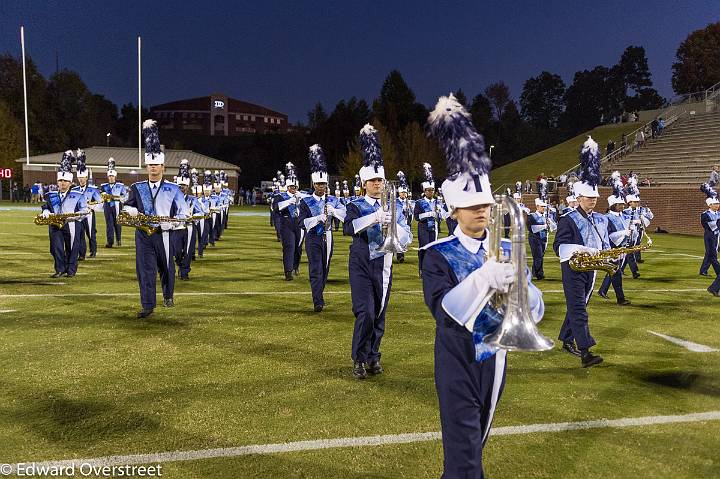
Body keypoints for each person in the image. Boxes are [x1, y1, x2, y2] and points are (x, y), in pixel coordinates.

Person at [422, 94, 545, 478]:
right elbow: (444, 312)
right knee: (466, 462)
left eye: (486, 204)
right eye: (472, 205)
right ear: (453, 209)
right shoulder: (437, 254)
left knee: (473, 449)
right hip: (457, 362)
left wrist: (524, 289)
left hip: (496, 361)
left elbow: (535, 310)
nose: (482, 211)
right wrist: (484, 278)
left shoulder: (509, 247)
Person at [344, 124, 411, 379]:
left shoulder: (395, 205)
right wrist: (374, 218)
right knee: (366, 312)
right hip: (361, 261)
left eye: (380, 180)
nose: (377, 183)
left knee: (380, 313)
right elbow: (349, 228)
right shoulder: (355, 204)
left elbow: (407, 234)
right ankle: (359, 359)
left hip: (384, 262)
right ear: (364, 183)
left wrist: (393, 224)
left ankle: (373, 356)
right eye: (372, 180)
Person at [122, 120, 188, 319]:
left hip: (165, 233)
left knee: (166, 268)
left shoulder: (174, 189)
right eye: (150, 165)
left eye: (156, 165)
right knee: (145, 270)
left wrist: (174, 222)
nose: (152, 168)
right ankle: (148, 304)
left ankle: (168, 294)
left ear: (163, 167)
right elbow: (127, 206)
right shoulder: (137, 187)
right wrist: (130, 211)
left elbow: (184, 213)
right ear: (146, 166)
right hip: (143, 233)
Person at [553, 136, 609, 367]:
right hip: (573, 268)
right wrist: (585, 250)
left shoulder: (600, 219)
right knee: (578, 308)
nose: (593, 201)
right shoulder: (568, 219)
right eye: (589, 198)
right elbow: (559, 247)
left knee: (580, 306)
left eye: (595, 197)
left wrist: (610, 253)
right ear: (578, 198)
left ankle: (566, 338)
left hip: (592, 269)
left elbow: (602, 243)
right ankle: (586, 352)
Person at [298, 145, 347, 312]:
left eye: (324, 184)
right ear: (313, 184)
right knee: (316, 269)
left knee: (325, 269)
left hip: (328, 237)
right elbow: (301, 223)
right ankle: (317, 300)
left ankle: (320, 293)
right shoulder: (305, 201)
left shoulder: (332, 200)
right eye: (318, 184)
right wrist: (317, 218)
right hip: (313, 238)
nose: (321, 187)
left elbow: (346, 216)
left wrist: (335, 211)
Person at [40, 150, 89, 278]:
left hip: (72, 224)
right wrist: (45, 211)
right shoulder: (51, 195)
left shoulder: (78, 195)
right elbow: (46, 206)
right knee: (56, 248)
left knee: (72, 248)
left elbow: (84, 210)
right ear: (57, 181)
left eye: (65, 181)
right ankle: (59, 269)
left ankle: (71, 270)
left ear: (70, 182)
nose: (62, 183)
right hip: (55, 225)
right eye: (60, 180)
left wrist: (74, 216)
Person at [597, 182, 632, 305]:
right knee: (616, 274)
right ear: (613, 205)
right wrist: (624, 232)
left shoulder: (624, 216)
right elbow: (609, 236)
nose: (622, 206)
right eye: (619, 204)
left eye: (623, 204)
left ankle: (603, 290)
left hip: (622, 248)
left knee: (614, 272)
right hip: (612, 249)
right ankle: (620, 299)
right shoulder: (606, 218)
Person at [174, 160, 205, 280]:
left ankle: (184, 272)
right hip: (176, 227)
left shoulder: (193, 200)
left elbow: (201, 212)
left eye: (184, 186)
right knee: (176, 252)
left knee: (188, 251)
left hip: (190, 227)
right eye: (180, 186)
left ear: (188, 187)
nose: (182, 188)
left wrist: (194, 217)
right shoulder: (173, 199)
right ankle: (180, 264)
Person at [273, 163, 305, 280]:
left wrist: (302, 197)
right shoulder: (281, 196)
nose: (294, 189)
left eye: (295, 187)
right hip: (287, 223)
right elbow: (275, 208)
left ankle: (295, 266)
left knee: (298, 247)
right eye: (292, 187)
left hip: (300, 224)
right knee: (289, 246)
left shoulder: (302, 195)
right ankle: (288, 271)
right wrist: (288, 202)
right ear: (287, 187)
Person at [72, 149, 103, 260]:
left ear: (86, 177)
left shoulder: (93, 189)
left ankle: (93, 251)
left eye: (83, 177)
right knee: (79, 235)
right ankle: (82, 254)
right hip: (79, 215)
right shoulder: (74, 189)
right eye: (79, 177)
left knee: (91, 234)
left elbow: (101, 203)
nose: (81, 179)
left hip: (89, 214)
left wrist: (93, 206)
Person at [414, 163, 438, 275]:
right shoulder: (419, 202)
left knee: (433, 248)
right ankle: (422, 268)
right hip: (423, 228)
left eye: (432, 190)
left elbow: (440, 216)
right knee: (423, 248)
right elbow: (416, 217)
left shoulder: (437, 201)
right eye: (428, 190)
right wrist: (428, 214)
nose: (430, 192)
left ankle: (431, 268)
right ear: (424, 191)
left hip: (433, 228)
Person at [623, 177, 652, 269]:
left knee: (637, 245)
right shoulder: (625, 211)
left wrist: (648, 212)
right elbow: (624, 222)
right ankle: (629, 268)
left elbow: (650, 217)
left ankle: (637, 259)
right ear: (629, 202)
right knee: (629, 250)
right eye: (635, 202)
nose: (637, 203)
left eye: (637, 202)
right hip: (629, 232)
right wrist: (634, 221)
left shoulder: (641, 209)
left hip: (639, 229)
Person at [527, 196, 556, 281]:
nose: (544, 208)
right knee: (538, 256)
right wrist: (544, 226)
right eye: (542, 206)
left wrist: (550, 223)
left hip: (544, 239)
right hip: (535, 239)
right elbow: (532, 229)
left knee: (539, 257)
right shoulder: (531, 216)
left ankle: (534, 273)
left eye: (545, 206)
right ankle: (539, 274)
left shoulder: (547, 216)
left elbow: (554, 228)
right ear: (537, 206)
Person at [101, 158, 128, 248]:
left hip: (117, 206)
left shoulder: (120, 186)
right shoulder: (103, 186)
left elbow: (125, 196)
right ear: (108, 177)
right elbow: (101, 196)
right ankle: (110, 242)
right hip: (107, 206)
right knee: (109, 224)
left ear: (115, 177)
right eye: (109, 176)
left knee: (118, 223)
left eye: (112, 176)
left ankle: (119, 240)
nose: (111, 177)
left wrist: (120, 199)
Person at [699, 183, 720, 278]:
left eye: (718, 203)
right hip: (709, 236)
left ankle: (703, 270)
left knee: (710, 253)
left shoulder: (718, 213)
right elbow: (708, 226)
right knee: (712, 254)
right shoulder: (705, 214)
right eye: (716, 204)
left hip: (717, 235)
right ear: (710, 205)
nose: (718, 205)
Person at [396, 171, 413, 263]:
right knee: (398, 238)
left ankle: (401, 253)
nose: (404, 194)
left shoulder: (409, 202)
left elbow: (412, 213)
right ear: (399, 193)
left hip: (406, 222)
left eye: (405, 193)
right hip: (398, 223)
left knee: (404, 239)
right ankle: (400, 255)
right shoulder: (395, 202)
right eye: (402, 193)